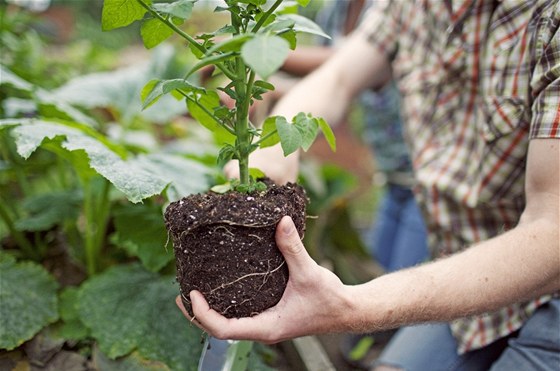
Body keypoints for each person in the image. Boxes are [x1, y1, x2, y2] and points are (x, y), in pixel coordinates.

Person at [177, 1, 560, 369]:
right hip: (472, 272)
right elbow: (340, 76)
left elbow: (552, 231)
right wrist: (277, 146)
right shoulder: (415, 4)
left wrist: (350, 306)